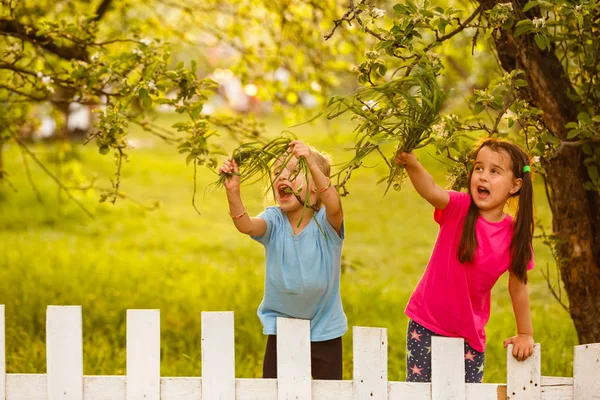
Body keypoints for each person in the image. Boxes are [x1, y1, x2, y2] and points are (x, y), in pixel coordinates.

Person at [395, 138, 535, 383]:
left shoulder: (514, 236)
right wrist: (412, 163)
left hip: (468, 335)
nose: (482, 176)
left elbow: (518, 288)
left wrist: (525, 333)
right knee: (417, 393)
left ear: (515, 185)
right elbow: (431, 190)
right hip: (425, 323)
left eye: (494, 171)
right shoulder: (459, 207)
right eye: (479, 168)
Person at [218, 140, 347, 379]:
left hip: (324, 331)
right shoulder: (274, 220)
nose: (282, 178)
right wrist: (233, 193)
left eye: (295, 172)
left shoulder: (327, 224)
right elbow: (245, 225)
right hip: (281, 329)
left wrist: (311, 160)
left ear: (316, 187)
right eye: (277, 172)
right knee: (278, 392)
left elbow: (334, 203)